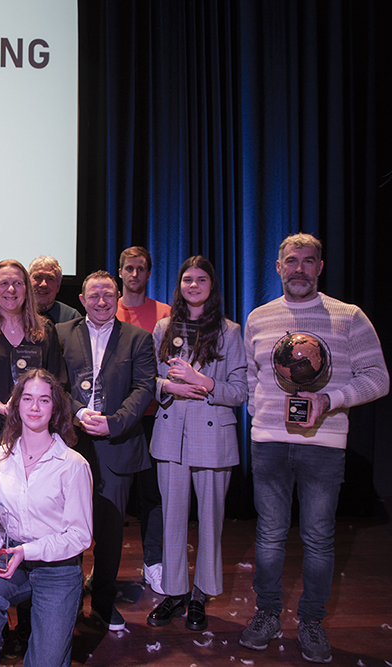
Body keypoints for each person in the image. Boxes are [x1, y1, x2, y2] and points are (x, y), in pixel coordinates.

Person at [240, 233, 388, 663]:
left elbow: (378, 378)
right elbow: (253, 377)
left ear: (319, 267)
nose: (299, 268)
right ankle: (267, 614)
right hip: (268, 442)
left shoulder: (349, 317)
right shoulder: (259, 317)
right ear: (278, 267)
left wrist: (330, 400)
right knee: (268, 537)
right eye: (291, 261)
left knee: (319, 538)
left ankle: (311, 621)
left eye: (308, 261)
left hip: (324, 444)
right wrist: (261, 415)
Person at [0, 369, 92, 667]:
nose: (34, 407)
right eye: (28, 399)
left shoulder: (73, 465)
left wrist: (26, 551)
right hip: (10, 559)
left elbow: (80, 536)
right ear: (16, 405)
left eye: (44, 400)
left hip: (58, 569)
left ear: (55, 408)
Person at [144, 257, 247, 633]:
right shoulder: (163, 327)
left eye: (201, 279)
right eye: (187, 279)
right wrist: (167, 386)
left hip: (213, 435)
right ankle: (174, 592)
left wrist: (202, 380)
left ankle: (202, 593)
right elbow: (149, 380)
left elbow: (240, 391)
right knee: (171, 519)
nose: (193, 285)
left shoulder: (229, 331)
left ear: (211, 285)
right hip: (171, 433)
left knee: (211, 520)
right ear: (179, 284)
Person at [55, 270, 155, 631]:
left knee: (111, 533)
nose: (101, 302)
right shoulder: (60, 334)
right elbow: (53, 382)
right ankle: (63, 603)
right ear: (82, 299)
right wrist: (78, 413)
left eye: (108, 295)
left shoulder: (139, 339)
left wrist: (115, 421)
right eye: (94, 295)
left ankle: (102, 601)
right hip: (70, 444)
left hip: (117, 445)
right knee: (64, 528)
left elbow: (144, 388)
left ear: (118, 298)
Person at [0, 259, 64, 448]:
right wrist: (3, 408)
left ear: (27, 289)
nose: (11, 290)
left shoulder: (45, 330)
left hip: (35, 429)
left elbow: (58, 382)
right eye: (3, 283)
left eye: (17, 283)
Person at [115, 245, 171, 594]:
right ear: (119, 272)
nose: (134, 275)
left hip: (155, 418)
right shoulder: (106, 307)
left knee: (154, 496)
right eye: (128, 269)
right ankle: (104, 571)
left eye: (141, 269)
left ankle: (154, 564)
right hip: (115, 421)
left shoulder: (166, 314)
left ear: (149, 274)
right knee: (111, 502)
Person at [28, 256, 79, 324]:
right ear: (27, 282)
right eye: (38, 277)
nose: (44, 284)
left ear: (58, 286)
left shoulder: (71, 317)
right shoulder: (13, 313)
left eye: (50, 279)